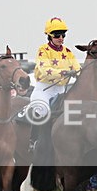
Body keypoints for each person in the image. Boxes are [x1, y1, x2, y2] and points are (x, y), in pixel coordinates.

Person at [28, 17, 81, 149]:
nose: (61, 38)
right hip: (44, 91)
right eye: (57, 35)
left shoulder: (68, 52)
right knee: (43, 110)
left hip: (61, 91)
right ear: (49, 36)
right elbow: (45, 70)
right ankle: (34, 140)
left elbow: (78, 68)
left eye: (63, 35)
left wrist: (78, 72)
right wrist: (63, 72)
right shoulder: (43, 50)